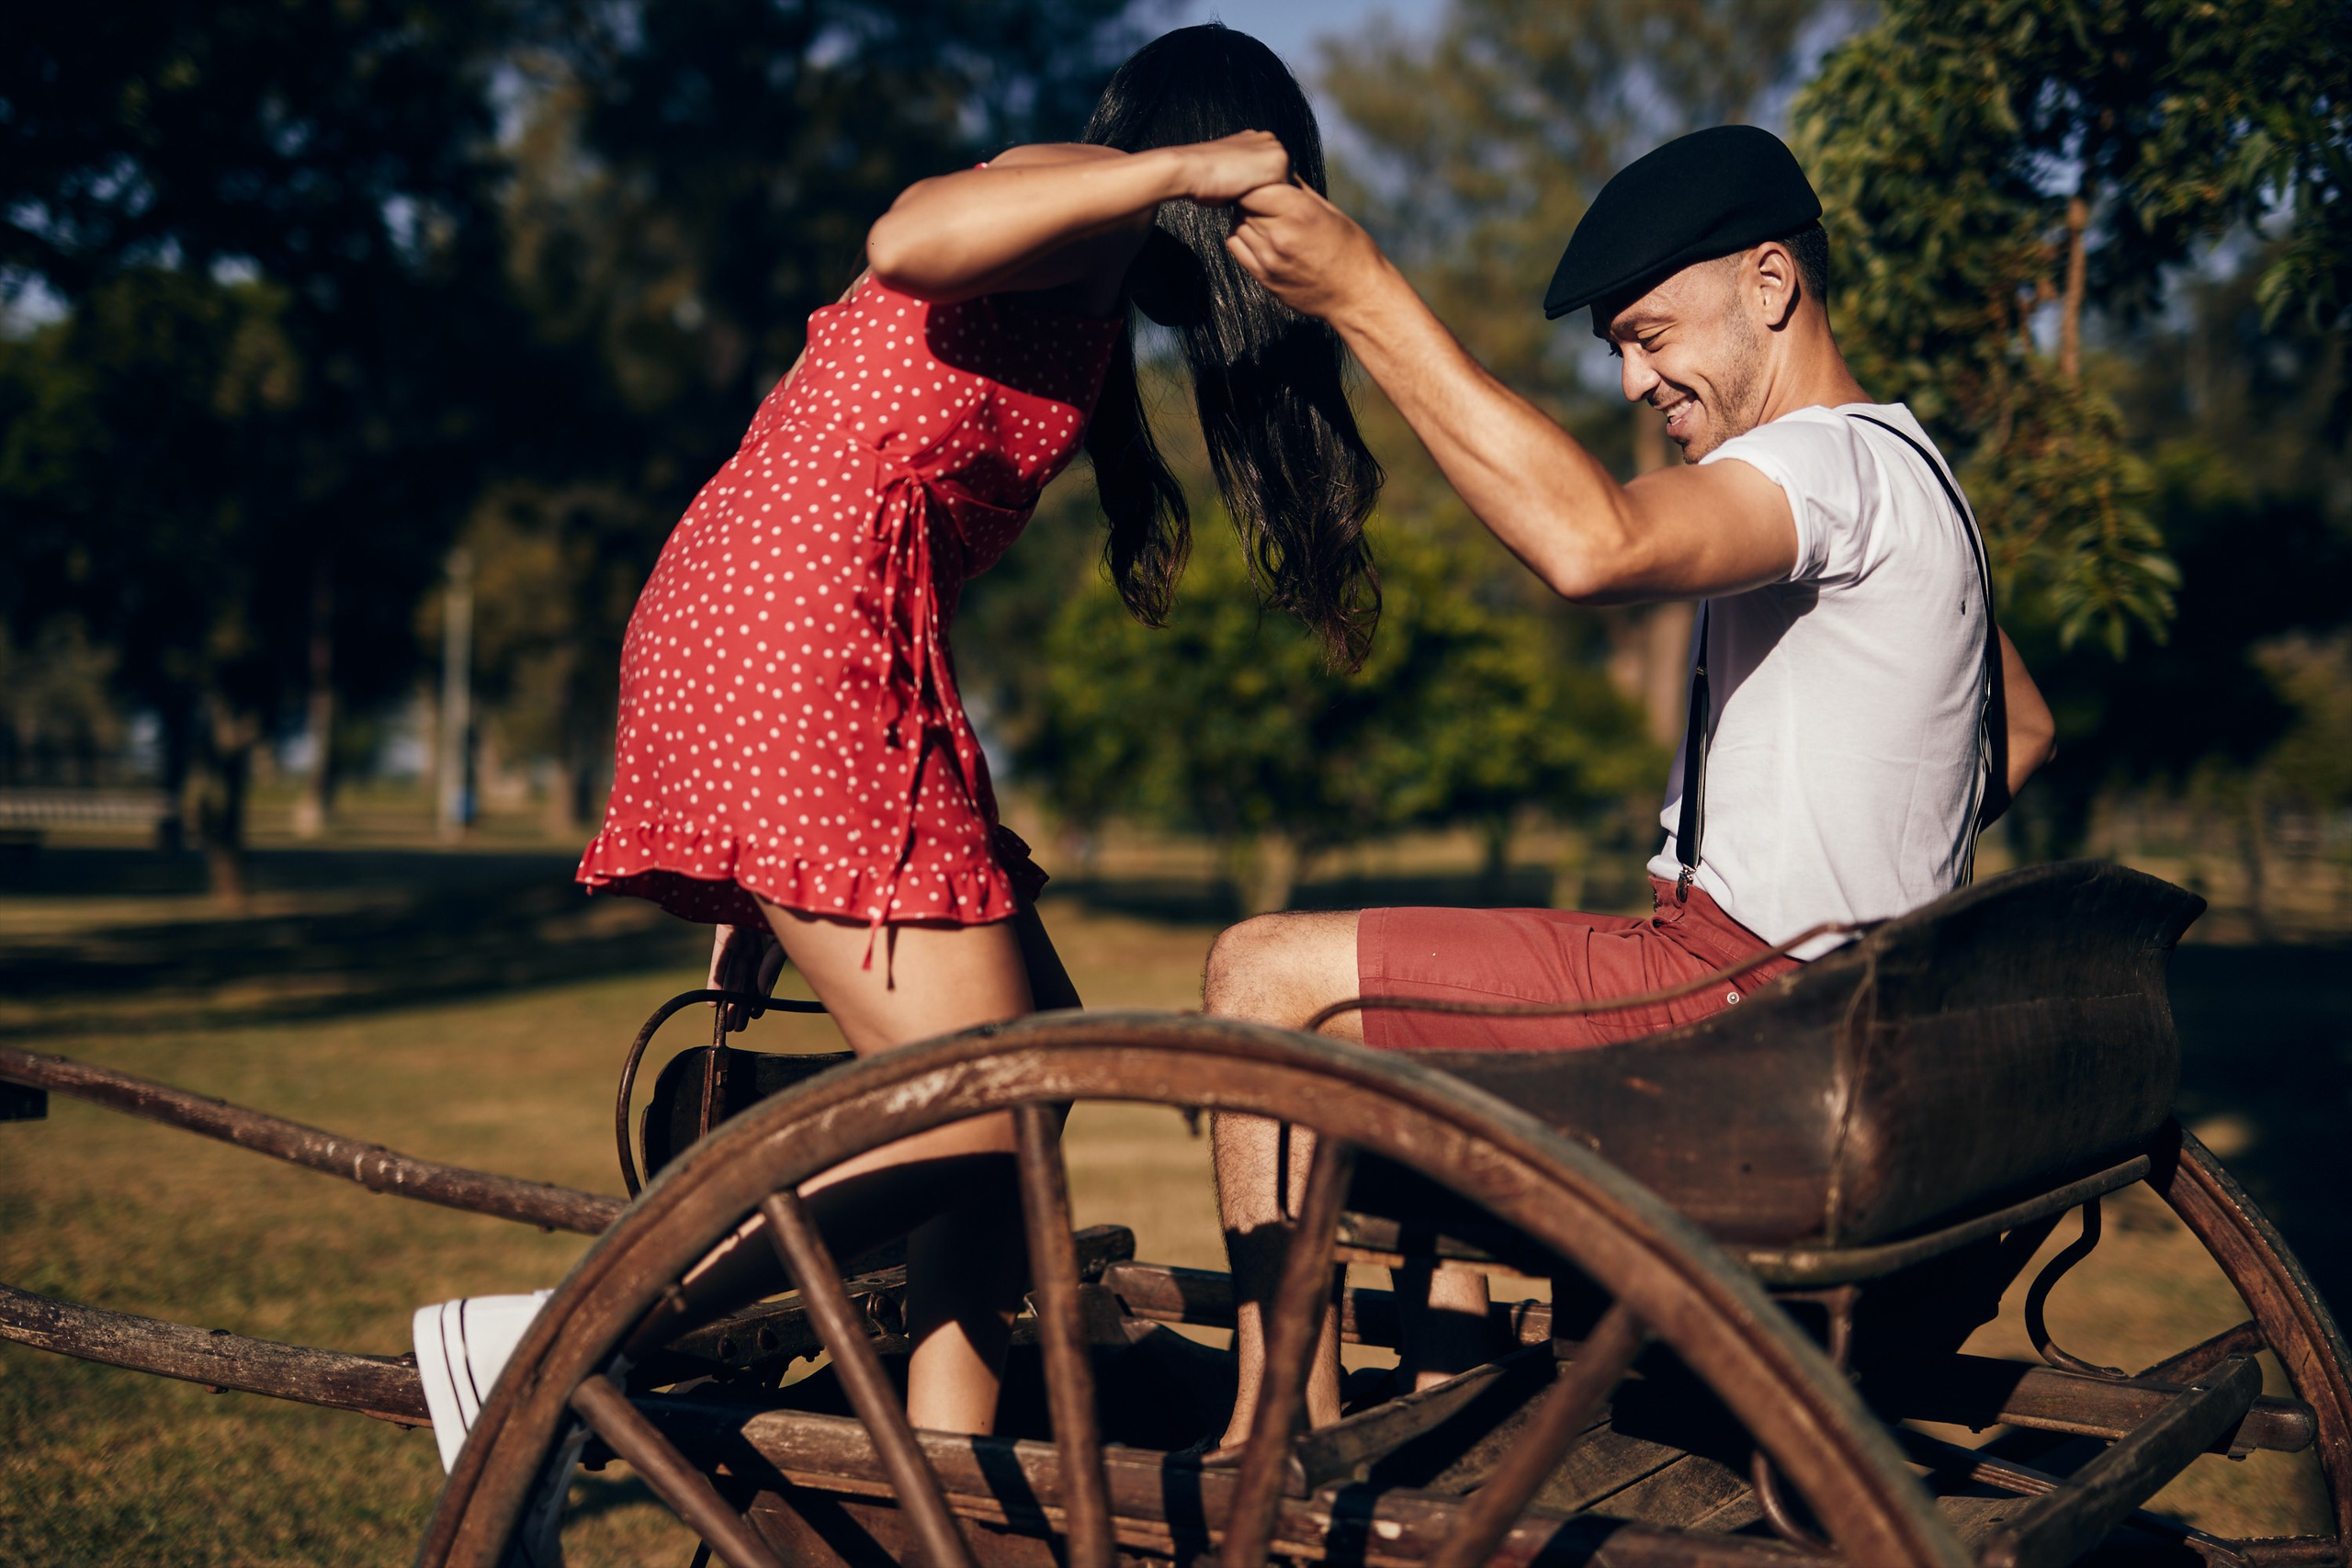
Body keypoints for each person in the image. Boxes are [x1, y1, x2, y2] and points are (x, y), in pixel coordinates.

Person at [413, 21, 1383, 1476]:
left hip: (825, 650)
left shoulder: (1098, 287)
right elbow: (909, 234)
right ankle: (554, 1339)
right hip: (792, 645)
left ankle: (941, 1473)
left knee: (1030, 1087)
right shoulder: (1078, 192)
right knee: (980, 1112)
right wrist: (1179, 166)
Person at [1198, 125, 2058, 1448]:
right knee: (1417, 1045)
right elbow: (2028, 730)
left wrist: (1365, 290)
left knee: (1263, 974)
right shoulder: (1918, 475)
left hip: (1737, 1007)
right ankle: (1446, 1409)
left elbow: (1591, 544)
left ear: (1771, 285)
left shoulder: (1817, 464)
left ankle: (1272, 1451)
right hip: (1839, 1005)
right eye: (1619, 347)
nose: (1633, 378)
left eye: (1652, 334)